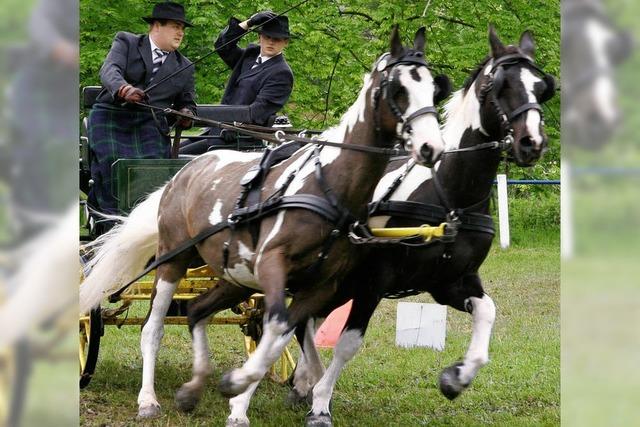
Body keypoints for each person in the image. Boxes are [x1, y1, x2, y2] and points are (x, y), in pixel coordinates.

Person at [87, 1, 197, 218]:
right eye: (176, 26)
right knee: (113, 163)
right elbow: (110, 69)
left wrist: (187, 114)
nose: (180, 33)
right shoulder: (127, 42)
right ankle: (108, 219)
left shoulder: (185, 66)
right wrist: (123, 89)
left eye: (182, 28)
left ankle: (145, 221)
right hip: (112, 116)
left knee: (153, 170)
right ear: (157, 26)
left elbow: (188, 101)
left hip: (150, 124)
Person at [179, 11, 293, 154]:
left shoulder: (281, 73)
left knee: (176, 158)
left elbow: (256, 113)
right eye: (267, 36)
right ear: (260, 37)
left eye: (277, 39)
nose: (271, 42)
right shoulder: (250, 56)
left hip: (239, 138)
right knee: (171, 153)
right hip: (216, 130)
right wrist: (249, 22)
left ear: (285, 42)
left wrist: (211, 115)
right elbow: (222, 45)